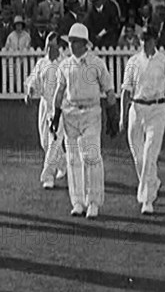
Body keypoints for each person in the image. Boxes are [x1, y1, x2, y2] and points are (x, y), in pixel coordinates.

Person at [50, 23, 119, 219]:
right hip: (70, 113)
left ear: (84, 44)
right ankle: (78, 202)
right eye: (69, 41)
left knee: (91, 155)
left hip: (91, 112)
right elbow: (59, 92)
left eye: (74, 41)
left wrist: (113, 114)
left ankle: (94, 202)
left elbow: (109, 90)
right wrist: (55, 115)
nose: (70, 45)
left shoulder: (97, 64)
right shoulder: (65, 65)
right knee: (73, 160)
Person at [120, 26, 165, 214]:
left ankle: (146, 199)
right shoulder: (133, 62)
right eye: (143, 39)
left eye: (149, 39)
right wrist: (122, 116)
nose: (145, 43)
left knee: (149, 154)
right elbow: (126, 91)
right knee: (139, 155)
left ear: (155, 40)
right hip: (137, 109)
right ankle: (153, 181)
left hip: (157, 110)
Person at [25, 32, 67, 189]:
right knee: (45, 142)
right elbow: (33, 79)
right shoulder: (41, 63)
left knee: (54, 141)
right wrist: (29, 92)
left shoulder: (64, 63)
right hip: (45, 105)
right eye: (48, 45)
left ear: (59, 47)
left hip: (59, 106)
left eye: (53, 46)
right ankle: (63, 164)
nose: (50, 49)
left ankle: (48, 176)